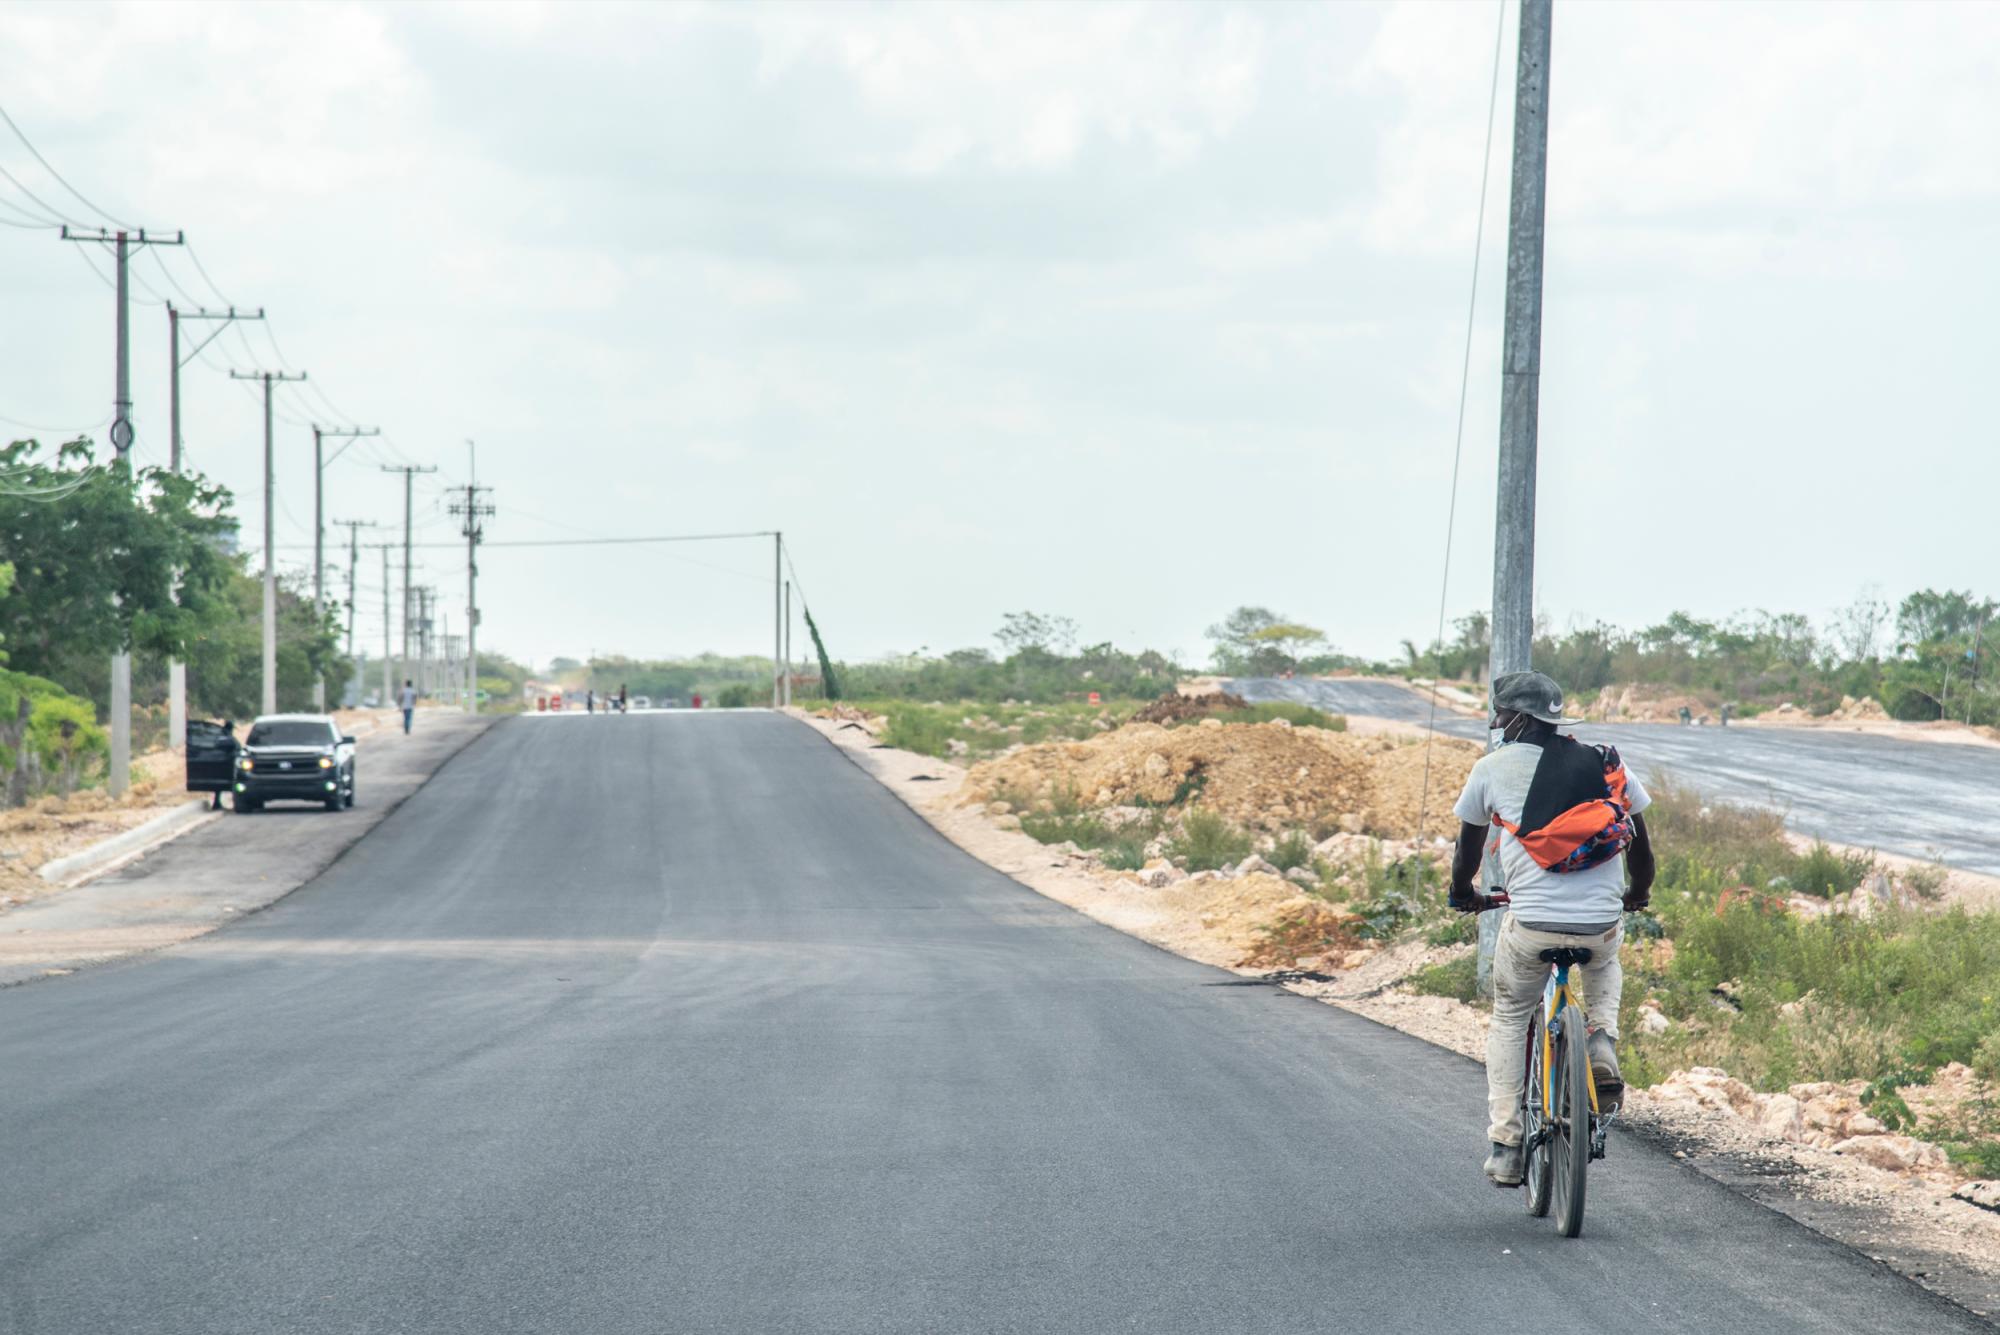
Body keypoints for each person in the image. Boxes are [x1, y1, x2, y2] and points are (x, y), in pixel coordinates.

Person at [1448, 670, 1655, 1188]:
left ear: (1517, 718)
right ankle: (1602, 1039)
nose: (1496, 723)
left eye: (1499, 714)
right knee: (1605, 958)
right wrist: (1636, 894)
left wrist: (1463, 895)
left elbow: (1467, 850)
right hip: (1599, 923)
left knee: (1511, 1014)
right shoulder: (1607, 764)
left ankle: (1507, 1144)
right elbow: (1642, 847)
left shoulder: (1491, 768)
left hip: (1532, 925)